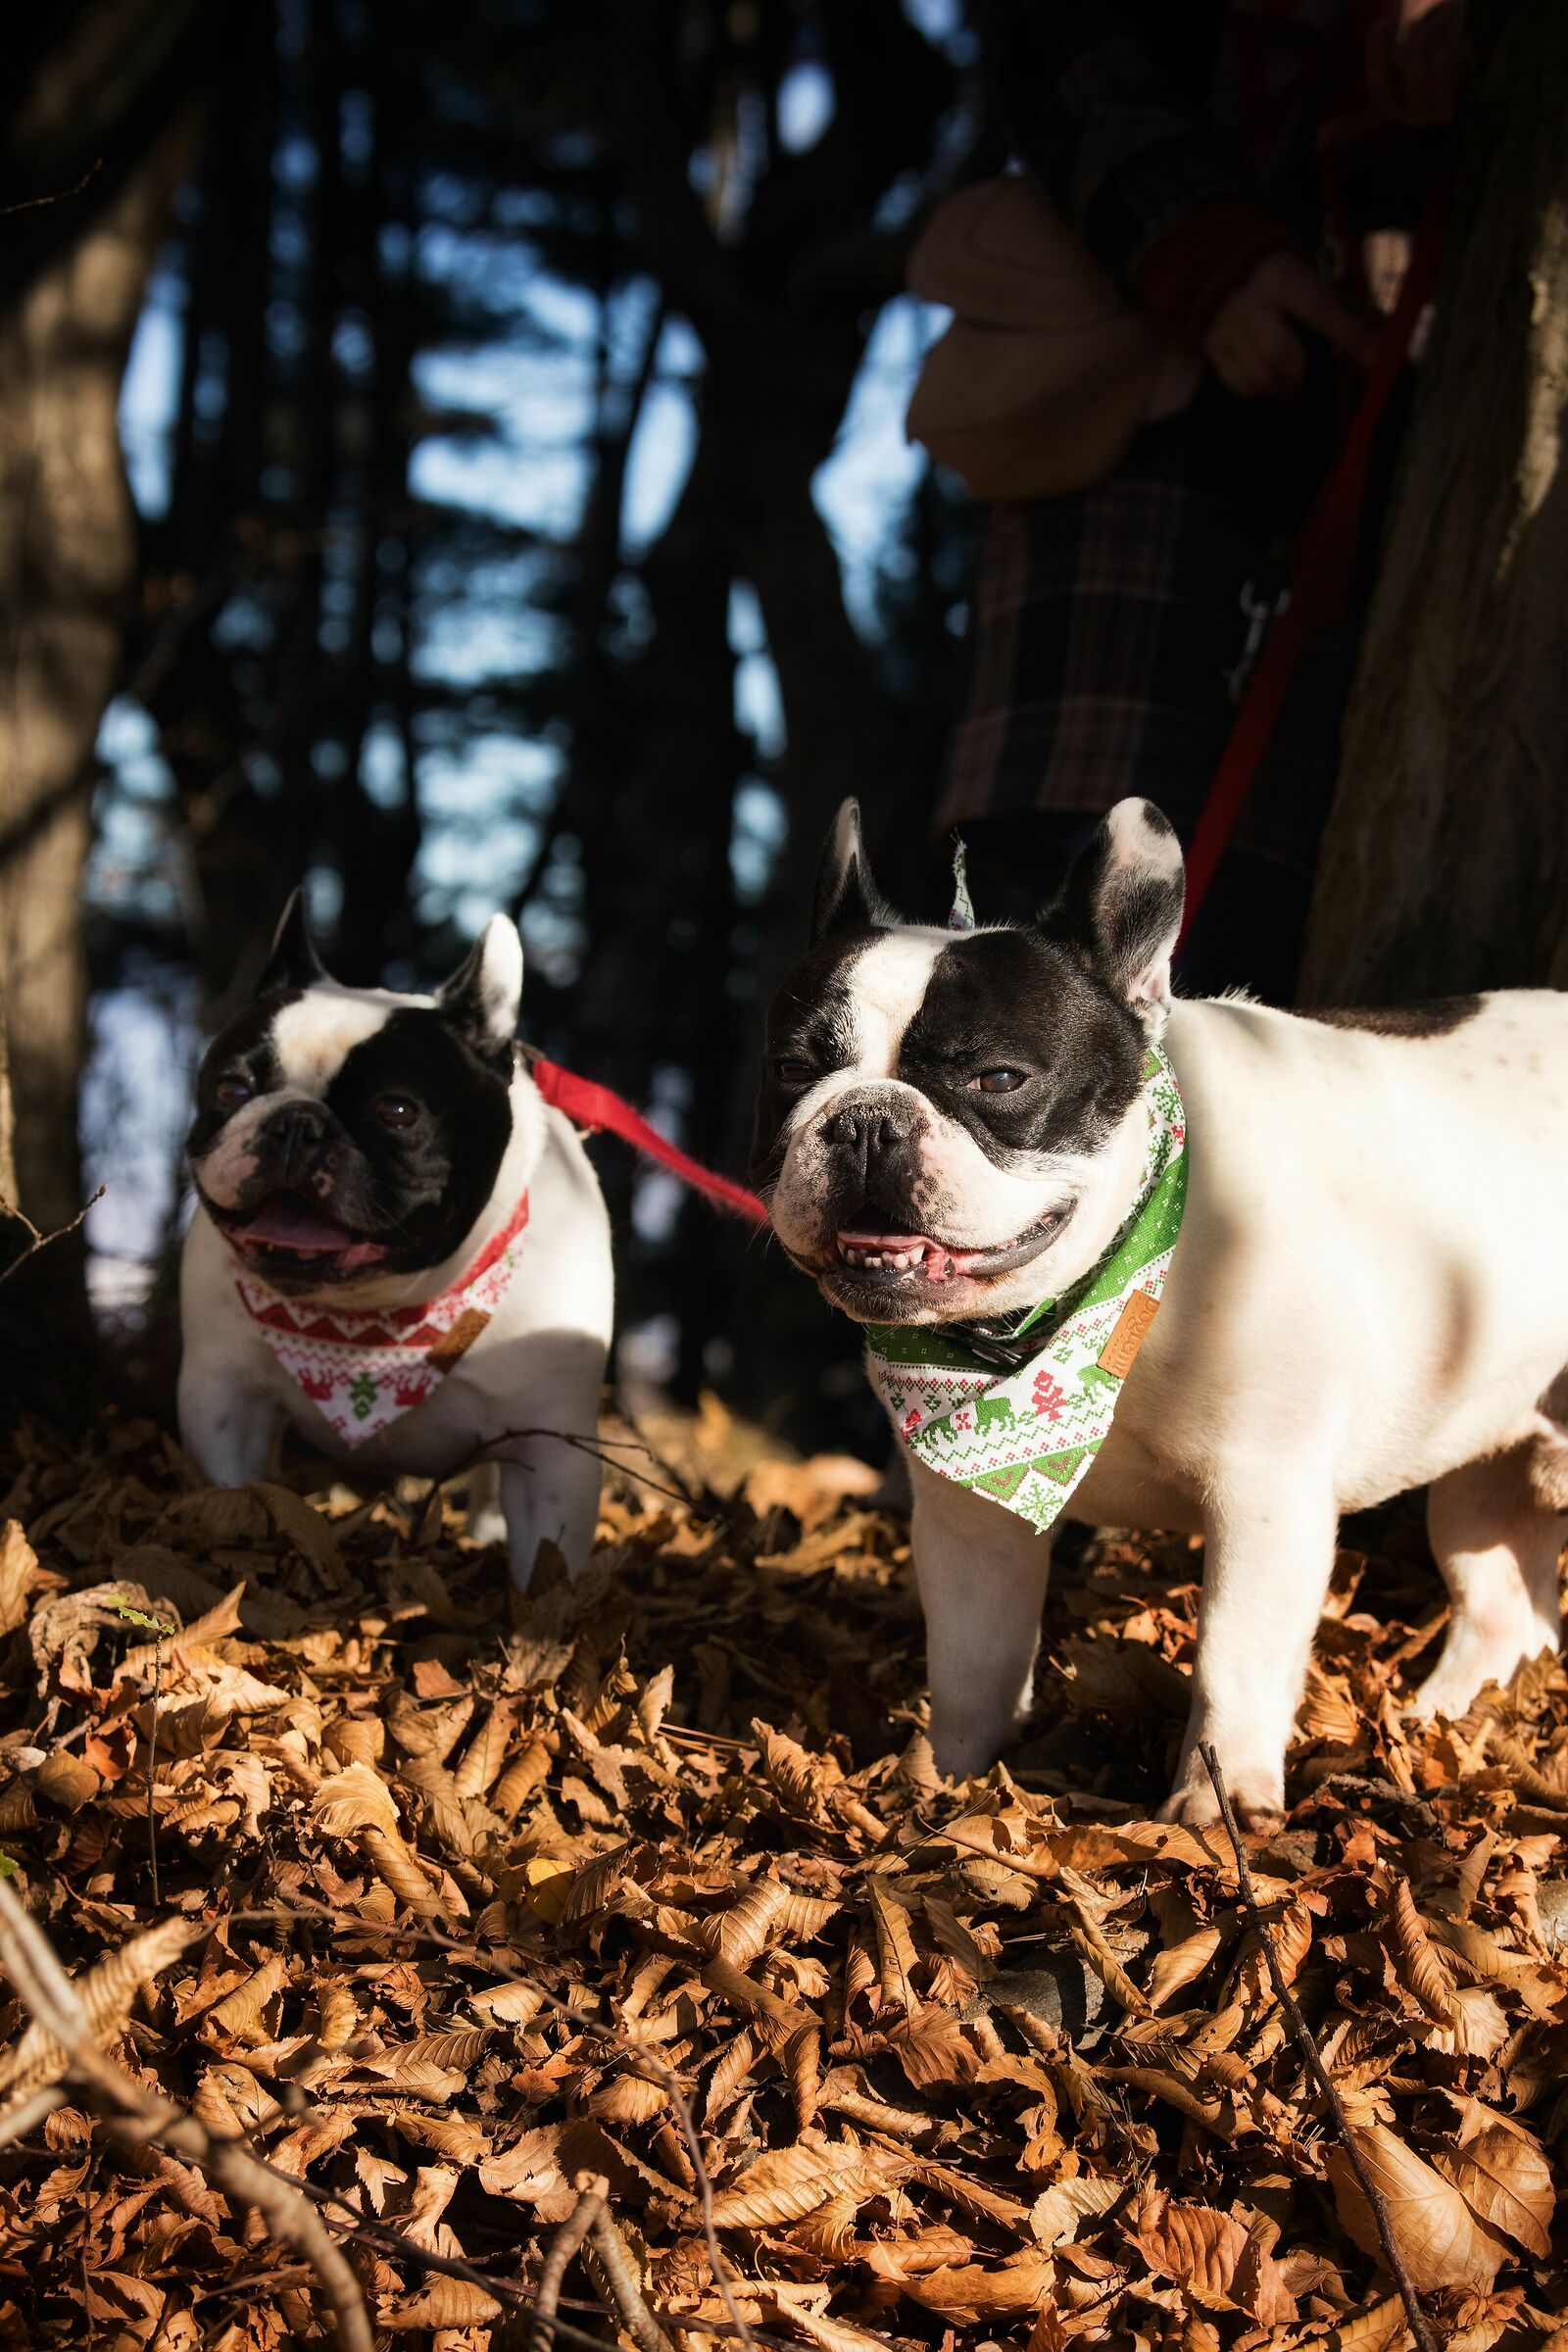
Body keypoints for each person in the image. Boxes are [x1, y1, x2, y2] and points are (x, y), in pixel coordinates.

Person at [936, 0, 1463, 1000]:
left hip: (1385, 533)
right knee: (1036, 1002)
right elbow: (1056, 45)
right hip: (1128, 569)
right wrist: (1190, 237)